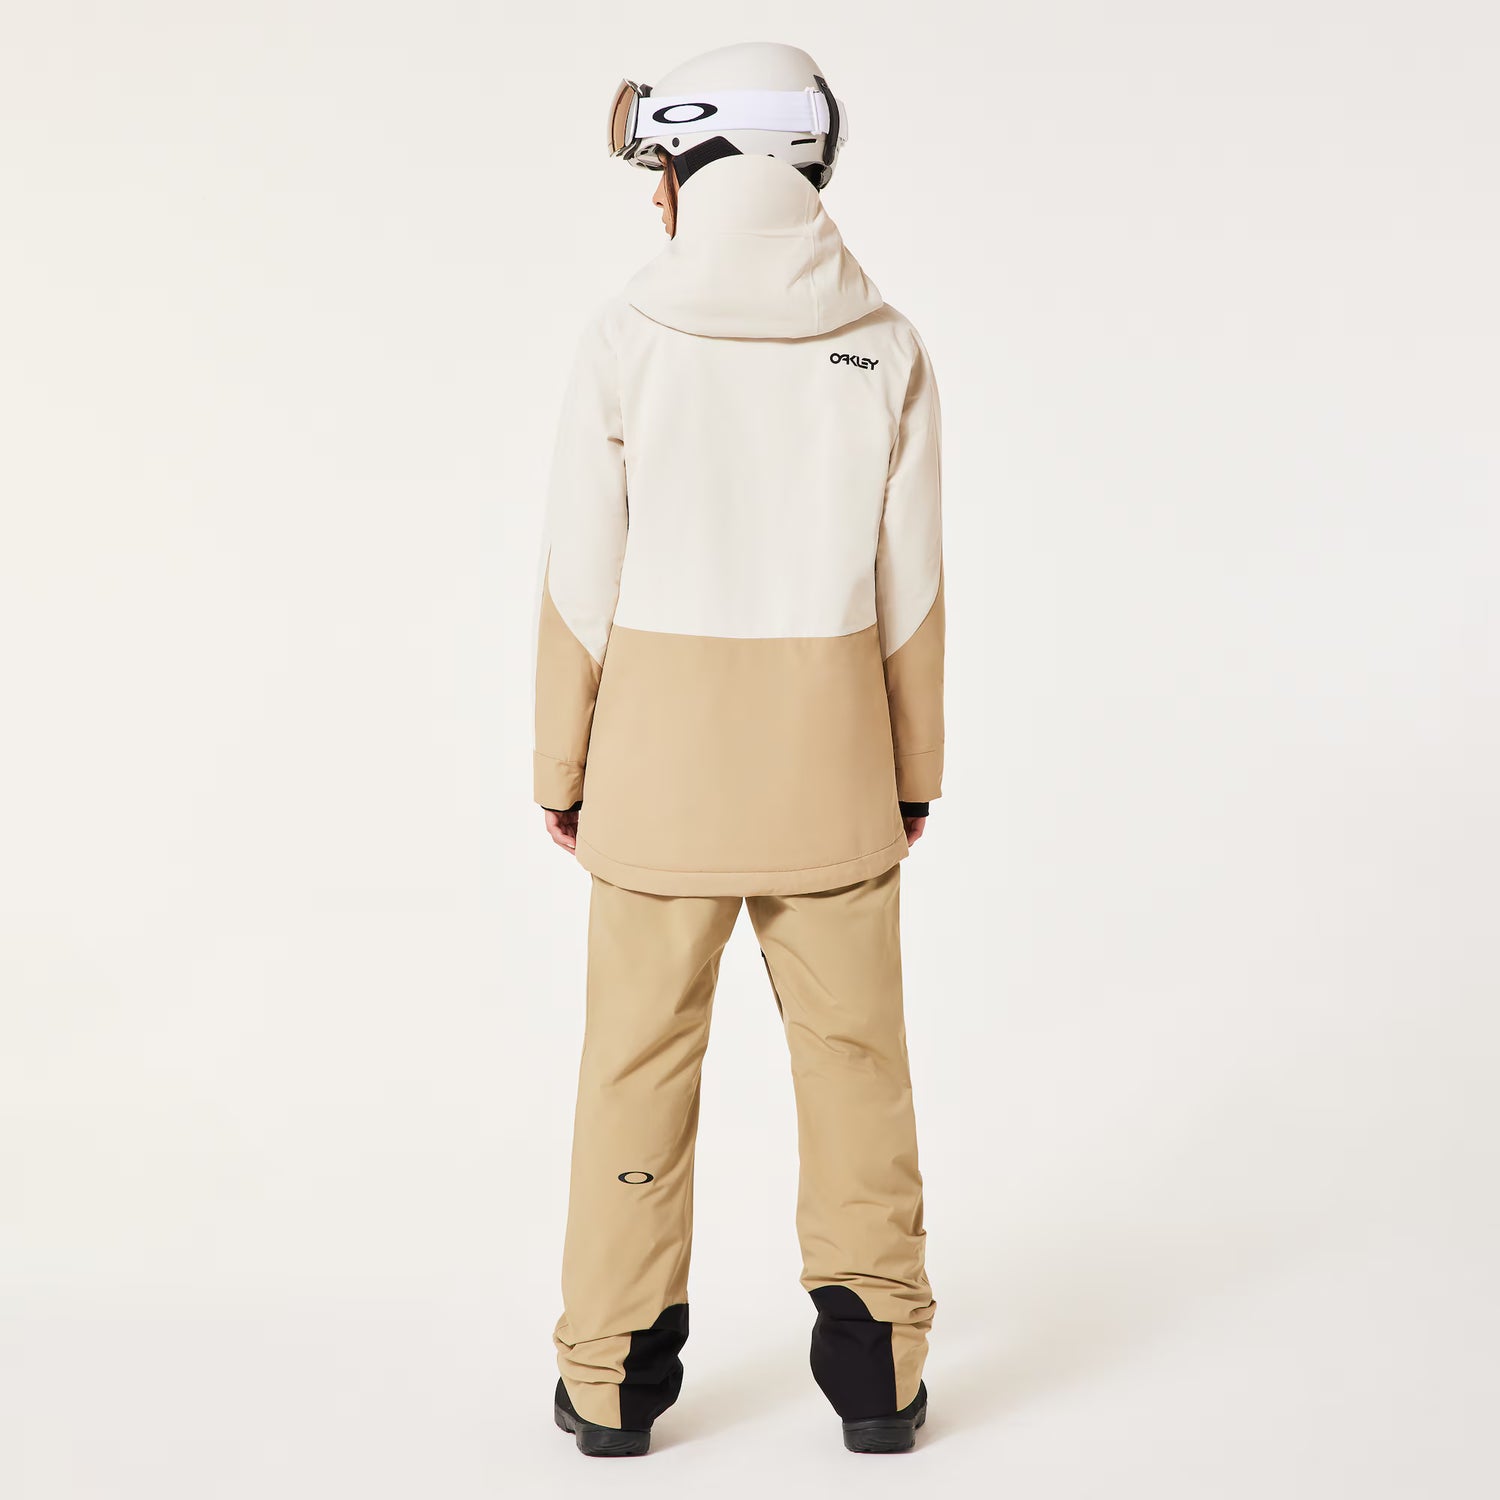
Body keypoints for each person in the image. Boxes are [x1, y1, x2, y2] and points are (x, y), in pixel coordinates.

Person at [533, 41, 944, 1457]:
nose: (652, 196)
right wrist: (911, 773)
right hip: (832, 765)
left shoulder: (626, 338)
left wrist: (561, 768)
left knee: (635, 1067)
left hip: (655, 773)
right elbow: (913, 589)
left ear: (698, 163)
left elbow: (580, 580)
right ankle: (879, 1380)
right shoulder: (886, 345)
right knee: (856, 1065)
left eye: (658, 167)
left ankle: (611, 1385)